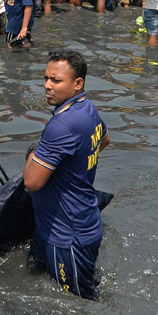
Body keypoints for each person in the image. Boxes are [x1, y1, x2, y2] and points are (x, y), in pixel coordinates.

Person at [23, 49, 110, 300]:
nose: (46, 86)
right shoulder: (87, 108)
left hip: (68, 236)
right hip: (66, 223)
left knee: (77, 305)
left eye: (56, 80)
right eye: (46, 78)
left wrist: (33, 154)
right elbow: (104, 140)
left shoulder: (62, 125)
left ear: (77, 83)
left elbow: (32, 182)